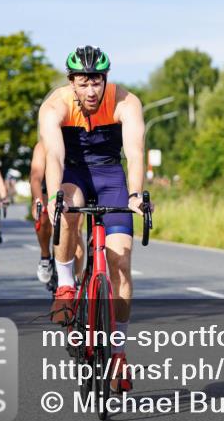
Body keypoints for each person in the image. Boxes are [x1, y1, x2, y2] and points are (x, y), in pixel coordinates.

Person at [39, 45, 146, 392]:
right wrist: (56, 197)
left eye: (96, 82)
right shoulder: (54, 106)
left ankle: (117, 352)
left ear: (105, 80)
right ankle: (67, 281)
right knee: (69, 209)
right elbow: (54, 155)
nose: (91, 91)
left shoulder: (126, 102)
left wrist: (135, 196)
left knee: (121, 263)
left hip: (111, 176)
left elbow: (134, 152)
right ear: (71, 82)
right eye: (83, 83)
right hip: (75, 173)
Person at [29, 141, 54, 285]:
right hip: (46, 188)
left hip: (70, 185)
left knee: (74, 227)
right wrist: (37, 201)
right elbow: (35, 177)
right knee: (43, 218)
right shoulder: (42, 146)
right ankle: (45, 256)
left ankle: (76, 277)